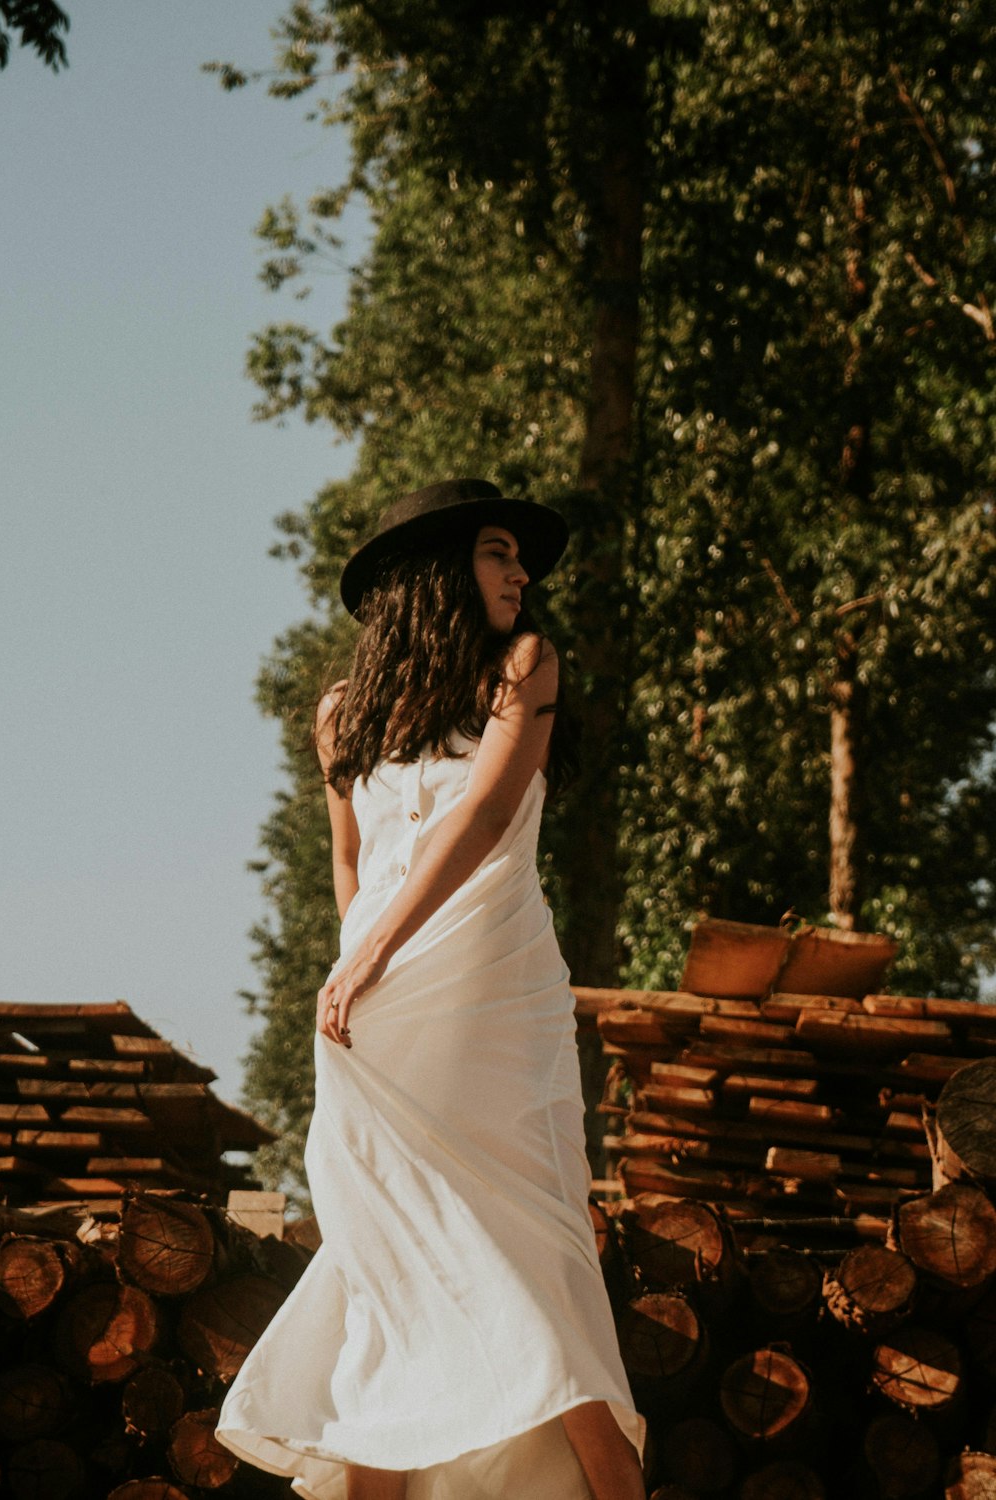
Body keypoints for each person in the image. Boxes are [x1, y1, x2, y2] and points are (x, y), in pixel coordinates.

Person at [216, 479, 646, 1500]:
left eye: (517, 557)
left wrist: (373, 954)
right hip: (372, 1016)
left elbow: (486, 817)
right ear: (436, 573)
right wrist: (351, 973)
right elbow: (350, 864)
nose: (521, 574)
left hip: (493, 994)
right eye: (498, 552)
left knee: (527, 1255)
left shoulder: (524, 667)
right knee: (385, 1262)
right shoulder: (340, 717)